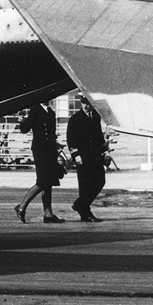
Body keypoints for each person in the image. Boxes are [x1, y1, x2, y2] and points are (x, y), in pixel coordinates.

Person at [13, 99, 65, 224]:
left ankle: (48, 214)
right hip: (40, 150)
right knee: (42, 181)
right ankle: (21, 206)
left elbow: (51, 134)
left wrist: (56, 147)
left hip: (50, 150)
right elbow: (25, 129)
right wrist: (22, 120)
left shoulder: (51, 112)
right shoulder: (35, 109)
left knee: (49, 182)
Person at [66, 93, 109, 222]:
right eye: (84, 103)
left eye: (88, 103)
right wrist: (76, 155)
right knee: (85, 185)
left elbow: (98, 136)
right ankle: (85, 213)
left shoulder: (95, 117)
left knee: (100, 181)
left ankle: (80, 204)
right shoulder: (75, 119)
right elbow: (71, 140)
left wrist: (104, 150)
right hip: (83, 157)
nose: (86, 106)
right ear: (81, 103)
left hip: (95, 155)